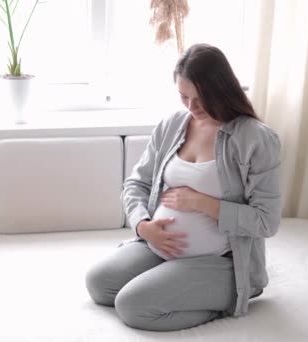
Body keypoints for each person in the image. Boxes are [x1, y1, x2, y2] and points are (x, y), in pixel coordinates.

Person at [85, 43, 281, 332]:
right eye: (183, 96)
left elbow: (267, 221)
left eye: (201, 98)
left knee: (133, 306)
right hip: (158, 246)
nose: (192, 107)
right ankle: (171, 277)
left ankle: (228, 300)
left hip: (218, 261)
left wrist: (203, 203)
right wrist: (143, 225)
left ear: (222, 90)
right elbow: (136, 184)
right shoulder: (173, 125)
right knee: (99, 284)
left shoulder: (255, 139)